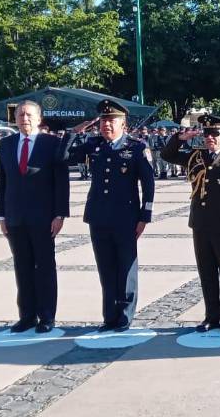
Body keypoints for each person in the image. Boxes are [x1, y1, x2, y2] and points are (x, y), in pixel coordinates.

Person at [62, 99, 155, 332]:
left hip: (126, 217)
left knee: (125, 266)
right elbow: (62, 158)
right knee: (106, 267)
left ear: (123, 124)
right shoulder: (94, 145)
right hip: (98, 216)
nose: (106, 125)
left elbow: (148, 183)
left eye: (111, 121)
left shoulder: (136, 147)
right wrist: (73, 133)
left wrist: (145, 215)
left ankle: (125, 314)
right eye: (103, 121)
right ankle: (109, 315)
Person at [161, 114, 220, 333]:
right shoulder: (196, 156)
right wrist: (181, 137)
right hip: (200, 223)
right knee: (206, 271)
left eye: (215, 134)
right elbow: (167, 154)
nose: (210, 138)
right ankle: (211, 315)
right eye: (206, 134)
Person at [0, 100, 69, 333]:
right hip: (15, 217)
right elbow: (2, 182)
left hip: (44, 217)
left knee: (45, 266)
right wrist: (0, 215)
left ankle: (47, 316)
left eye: (28, 115)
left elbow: (61, 182)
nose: (24, 119)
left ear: (38, 119)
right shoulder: (6, 144)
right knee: (22, 266)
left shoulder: (52, 143)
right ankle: (26, 315)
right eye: (20, 115)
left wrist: (60, 214)